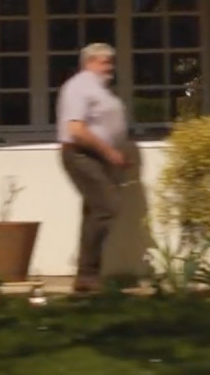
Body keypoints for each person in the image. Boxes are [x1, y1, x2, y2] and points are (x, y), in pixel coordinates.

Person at [58, 42, 129, 294]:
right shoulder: (79, 86)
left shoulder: (99, 89)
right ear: (89, 62)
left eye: (111, 62)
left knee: (94, 212)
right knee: (107, 206)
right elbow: (76, 130)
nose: (110, 67)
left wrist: (112, 152)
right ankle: (88, 273)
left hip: (96, 156)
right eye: (105, 61)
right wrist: (109, 151)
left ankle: (86, 277)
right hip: (80, 154)